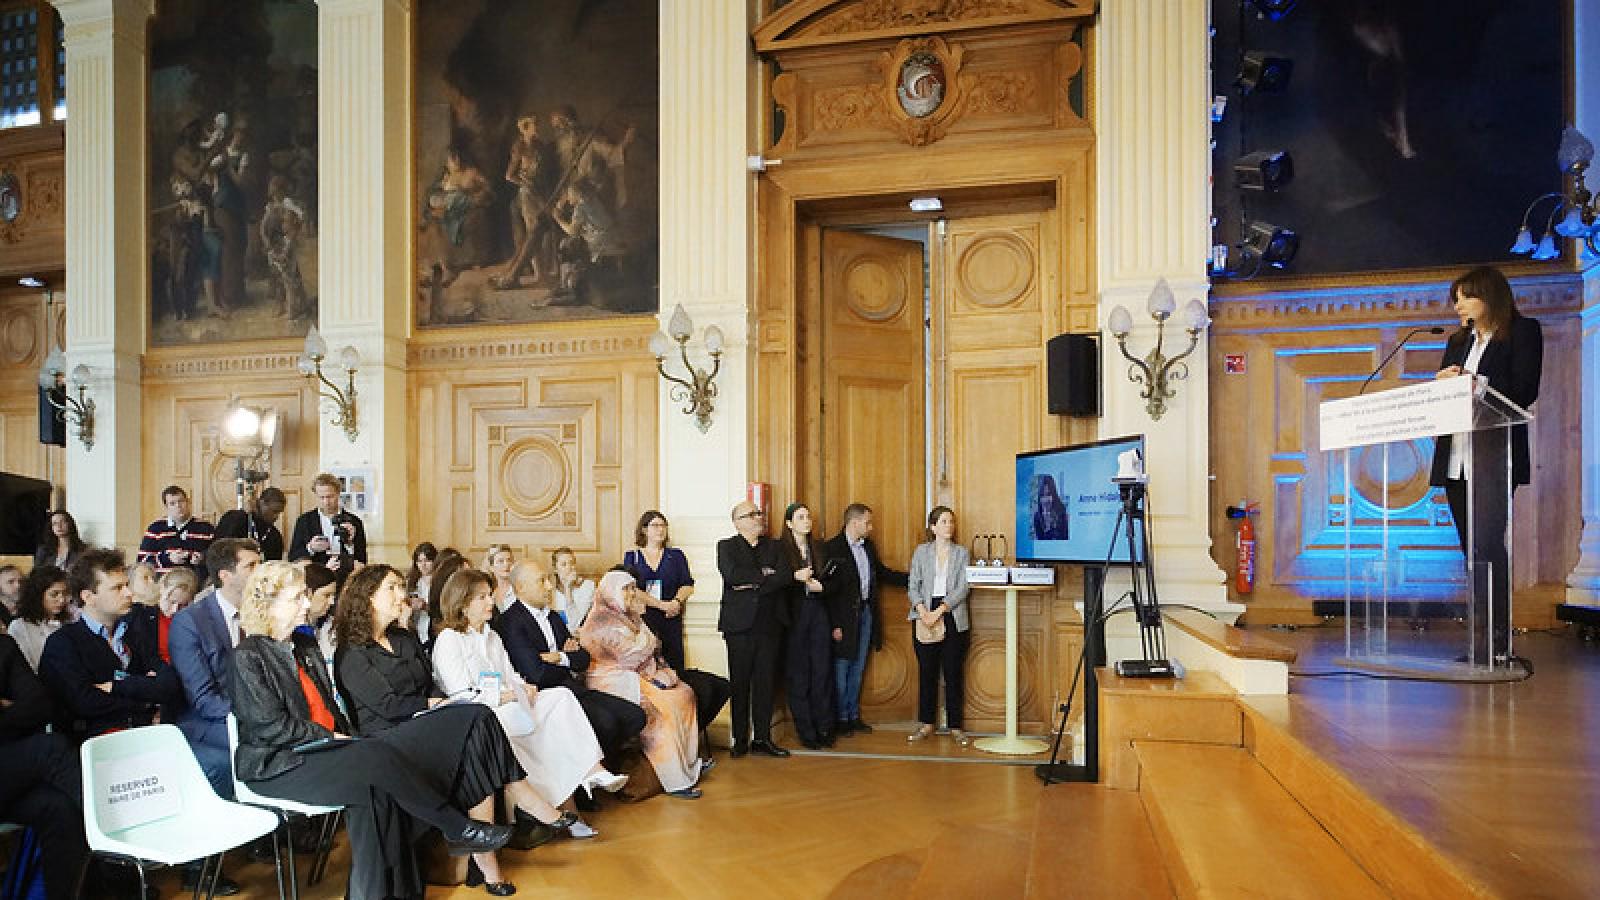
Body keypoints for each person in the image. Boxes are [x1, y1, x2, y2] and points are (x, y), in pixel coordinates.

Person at [230, 561, 514, 900]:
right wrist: (335, 739)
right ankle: (455, 826)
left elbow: (331, 710)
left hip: (330, 751)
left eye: (306, 595)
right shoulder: (248, 656)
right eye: (297, 598)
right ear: (269, 605)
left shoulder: (304, 647)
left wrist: (345, 738)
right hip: (278, 764)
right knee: (376, 763)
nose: (307, 604)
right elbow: (271, 727)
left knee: (467, 718)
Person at [333, 564, 578, 882]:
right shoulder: (351, 652)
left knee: (476, 745)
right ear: (367, 598)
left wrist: (438, 702)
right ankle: (524, 798)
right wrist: (433, 704)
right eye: (391, 588)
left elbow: (427, 682)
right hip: (388, 736)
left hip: (425, 722)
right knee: (478, 716)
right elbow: (385, 706)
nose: (401, 594)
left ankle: (489, 870)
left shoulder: (403, 638)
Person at [432, 568, 626, 839]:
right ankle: (567, 812)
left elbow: (511, 675)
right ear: (462, 604)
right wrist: (506, 695)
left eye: (490, 595)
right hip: (479, 716)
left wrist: (524, 686)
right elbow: (460, 695)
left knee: (561, 696)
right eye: (482, 598)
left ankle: (593, 769)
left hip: (511, 705)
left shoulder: (492, 637)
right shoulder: (449, 640)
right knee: (545, 736)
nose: (491, 602)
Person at [1429, 266, 1543, 664]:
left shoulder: (1523, 332)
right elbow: (1446, 398)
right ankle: (1479, 640)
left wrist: (1475, 384)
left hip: (1496, 458)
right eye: (1455, 299)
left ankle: (1499, 642)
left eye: (1464, 297)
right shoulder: (1458, 341)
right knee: (1470, 551)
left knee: (1490, 547)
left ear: (1489, 296)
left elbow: (1524, 390)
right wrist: (1443, 384)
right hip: (1457, 457)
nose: (1457, 306)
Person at [496, 560, 645, 762]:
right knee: (607, 722)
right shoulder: (510, 622)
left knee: (635, 715)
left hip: (573, 688)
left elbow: (583, 659)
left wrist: (559, 657)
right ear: (521, 587)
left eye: (548, 579)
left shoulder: (553, 617)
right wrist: (567, 661)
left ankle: (602, 770)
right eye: (542, 581)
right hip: (547, 697)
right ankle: (591, 781)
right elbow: (535, 674)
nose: (549, 586)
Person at [580, 571, 705, 797]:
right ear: (610, 592)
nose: (629, 594)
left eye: (631, 588)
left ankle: (687, 764)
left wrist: (646, 645)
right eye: (624, 589)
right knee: (661, 711)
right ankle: (674, 780)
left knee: (684, 695)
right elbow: (633, 655)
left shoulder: (629, 615)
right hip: (611, 680)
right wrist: (646, 643)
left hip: (634, 674)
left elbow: (650, 647)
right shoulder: (600, 621)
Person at [169, 538, 262, 798]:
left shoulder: (262, 614)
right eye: (251, 566)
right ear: (225, 575)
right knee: (263, 745)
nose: (260, 573)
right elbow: (204, 699)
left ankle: (294, 829)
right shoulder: (190, 622)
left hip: (255, 711)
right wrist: (254, 716)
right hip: (209, 720)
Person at [0, 632, 88, 900]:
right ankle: (116, 850)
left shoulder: (3, 645)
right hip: (15, 763)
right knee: (52, 748)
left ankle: (78, 891)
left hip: (12, 769)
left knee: (59, 808)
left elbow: (39, 706)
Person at [823, 502, 908, 737]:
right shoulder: (832, 548)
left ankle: (852, 716)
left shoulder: (868, 546)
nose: (870, 527)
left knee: (858, 668)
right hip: (843, 619)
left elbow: (881, 574)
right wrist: (834, 624)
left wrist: (915, 579)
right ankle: (840, 719)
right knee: (841, 669)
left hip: (866, 614)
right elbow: (828, 592)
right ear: (854, 522)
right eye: (867, 522)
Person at [716, 501, 791, 758]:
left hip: (770, 624)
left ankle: (762, 738)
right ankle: (740, 739)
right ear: (737, 522)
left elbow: (783, 577)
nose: (758, 517)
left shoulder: (775, 546)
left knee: (765, 683)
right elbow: (732, 575)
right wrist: (764, 575)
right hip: (739, 626)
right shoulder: (726, 546)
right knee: (740, 683)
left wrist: (754, 581)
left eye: (759, 513)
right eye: (751, 514)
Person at [906, 506, 972, 744]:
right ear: (932, 527)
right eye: (944, 522)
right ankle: (926, 724)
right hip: (924, 613)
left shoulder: (962, 553)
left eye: (951, 522)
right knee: (927, 672)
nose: (949, 526)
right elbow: (912, 584)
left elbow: (963, 587)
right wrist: (923, 611)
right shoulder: (921, 552)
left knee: (953, 672)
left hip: (952, 614)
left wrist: (941, 610)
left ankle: (956, 726)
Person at [779, 503, 834, 749]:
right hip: (794, 615)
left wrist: (822, 588)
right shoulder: (780, 550)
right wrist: (795, 578)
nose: (807, 521)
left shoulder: (819, 548)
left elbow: (835, 581)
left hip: (818, 611)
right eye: (801, 517)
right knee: (799, 674)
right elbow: (775, 582)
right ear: (789, 523)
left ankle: (824, 726)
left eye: (809, 516)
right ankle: (806, 730)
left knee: (822, 671)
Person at [622, 510, 694, 673]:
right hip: (643, 616)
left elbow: (687, 585)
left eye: (663, 525)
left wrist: (675, 602)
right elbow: (630, 587)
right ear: (644, 529)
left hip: (671, 615)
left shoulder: (676, 556)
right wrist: (661, 605)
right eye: (655, 525)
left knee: (674, 664)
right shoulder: (632, 557)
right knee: (646, 663)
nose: (660, 529)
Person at [289, 472, 368, 573]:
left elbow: (362, 559)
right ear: (315, 495)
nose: (326, 502)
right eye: (321, 497)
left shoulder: (354, 522)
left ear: (338, 494)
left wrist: (349, 544)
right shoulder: (304, 521)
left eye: (330, 497)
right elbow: (293, 556)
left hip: (346, 577)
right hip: (316, 580)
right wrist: (310, 548)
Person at [137, 484, 216, 578]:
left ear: (188, 502)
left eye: (181, 501)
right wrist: (167, 558)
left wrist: (201, 558)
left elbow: (216, 556)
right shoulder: (156, 529)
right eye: (172, 503)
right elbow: (142, 562)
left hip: (197, 583)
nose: (178, 506)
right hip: (164, 584)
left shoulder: (205, 528)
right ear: (166, 507)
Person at [10, 565, 71, 672]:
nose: (61, 600)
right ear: (38, 595)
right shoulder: (20, 626)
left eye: (64, 594)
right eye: (54, 594)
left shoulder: (69, 623)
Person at [215, 486, 287, 561]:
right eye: (274, 511)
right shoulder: (236, 520)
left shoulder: (274, 535)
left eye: (279, 513)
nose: (276, 517)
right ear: (262, 503)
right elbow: (218, 551)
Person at [151, 566, 200, 662]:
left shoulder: (193, 622)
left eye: (183, 605)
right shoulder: (146, 616)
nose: (175, 610)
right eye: (172, 602)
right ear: (163, 592)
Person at [550, 546, 595, 628]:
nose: (569, 568)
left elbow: (576, 623)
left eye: (572, 563)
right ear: (555, 569)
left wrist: (568, 589)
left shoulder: (587, 587)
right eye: (564, 564)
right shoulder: (550, 591)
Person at [1031, 476, 1069, 540]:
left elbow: (1065, 536)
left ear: (1054, 496)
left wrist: (1052, 527)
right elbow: (1040, 540)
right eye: (1042, 495)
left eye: (1048, 495)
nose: (1045, 499)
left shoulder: (1061, 512)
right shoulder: (1037, 517)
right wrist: (1047, 527)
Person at [485, 544, 515, 612]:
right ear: (491, 567)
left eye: (509, 560)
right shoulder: (488, 591)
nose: (506, 564)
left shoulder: (520, 590)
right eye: (501, 561)